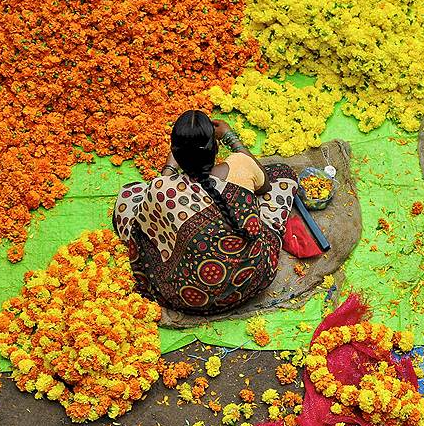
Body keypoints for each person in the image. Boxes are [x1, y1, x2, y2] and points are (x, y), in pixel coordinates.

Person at [112, 110, 298, 315]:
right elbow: (265, 188)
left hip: (188, 297)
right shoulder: (240, 165)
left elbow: (148, 210)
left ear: (174, 152)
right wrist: (231, 137)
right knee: (282, 174)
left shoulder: (162, 189)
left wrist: (169, 168)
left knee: (129, 196)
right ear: (216, 148)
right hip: (251, 280)